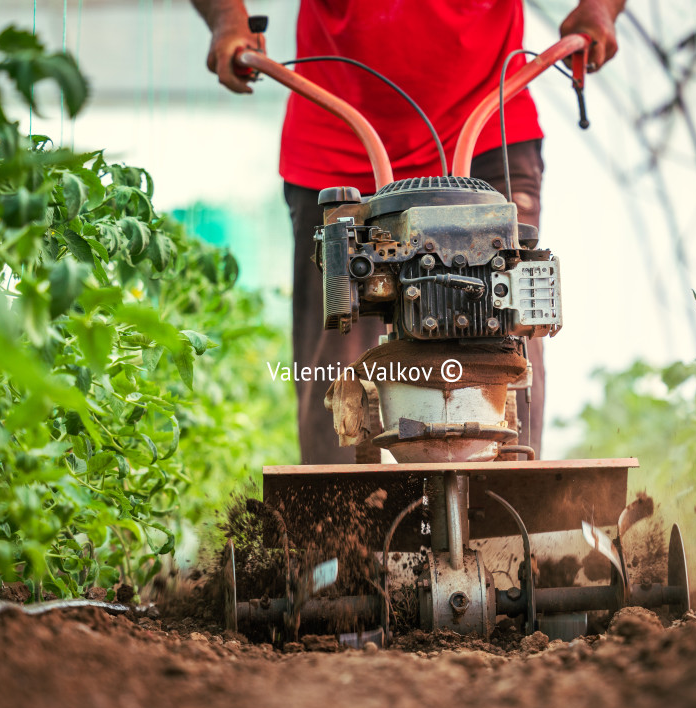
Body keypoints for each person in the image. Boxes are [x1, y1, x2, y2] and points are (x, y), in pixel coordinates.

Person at [194, 0, 626, 465]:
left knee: (511, 315)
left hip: (485, 124)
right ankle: (340, 528)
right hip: (339, 135)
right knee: (337, 343)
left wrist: (599, 8)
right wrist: (227, 20)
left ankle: (507, 508)